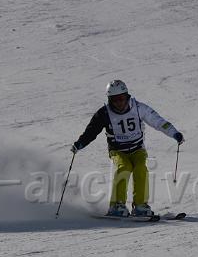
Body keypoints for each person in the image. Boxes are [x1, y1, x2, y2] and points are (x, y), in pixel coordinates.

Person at [71, 79, 184, 217]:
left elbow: (158, 122)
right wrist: (80, 143)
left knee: (140, 168)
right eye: (115, 99)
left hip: (137, 148)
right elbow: (91, 131)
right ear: (110, 100)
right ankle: (116, 205)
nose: (119, 102)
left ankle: (140, 205)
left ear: (127, 96)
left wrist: (174, 133)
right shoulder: (104, 113)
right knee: (124, 167)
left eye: (122, 98)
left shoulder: (139, 108)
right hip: (117, 150)